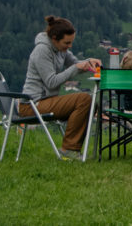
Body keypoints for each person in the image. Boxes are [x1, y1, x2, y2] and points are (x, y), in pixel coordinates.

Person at [19, 15, 101, 160]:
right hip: (32, 105)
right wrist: (76, 67)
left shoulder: (60, 49)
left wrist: (89, 62)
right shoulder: (42, 51)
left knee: (90, 102)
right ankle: (68, 150)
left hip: (46, 101)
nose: (69, 46)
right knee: (83, 99)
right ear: (55, 39)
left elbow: (75, 63)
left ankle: (72, 148)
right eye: (67, 43)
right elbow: (51, 82)